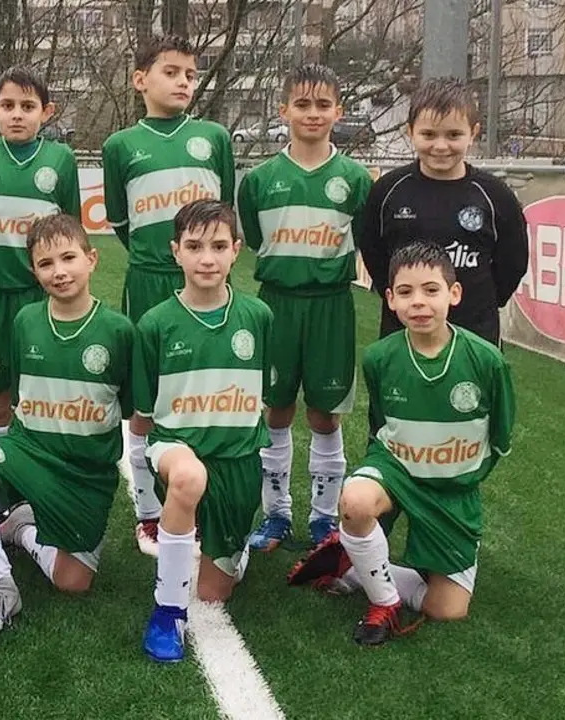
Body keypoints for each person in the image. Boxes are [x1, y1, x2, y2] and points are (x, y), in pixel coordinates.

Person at [288, 241, 515, 646]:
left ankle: (352, 566)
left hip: (453, 489)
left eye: (431, 290)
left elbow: (499, 436)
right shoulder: (379, 357)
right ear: (390, 299)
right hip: (397, 470)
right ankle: (384, 602)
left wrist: (460, 475)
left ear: (454, 293)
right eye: (406, 292)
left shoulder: (486, 360)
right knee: (356, 501)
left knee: (447, 609)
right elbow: (382, 425)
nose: (419, 302)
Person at [0, 214, 134, 633]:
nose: (59, 271)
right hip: (29, 453)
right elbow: (19, 396)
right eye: (46, 263)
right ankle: (1, 587)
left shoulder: (119, 330)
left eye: (68, 258)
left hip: (86, 474)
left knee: (73, 582)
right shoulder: (26, 321)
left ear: (91, 259)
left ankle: (20, 530)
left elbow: (130, 406)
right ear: (34, 271)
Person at [102, 34, 235, 556]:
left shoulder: (213, 137)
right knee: (146, 398)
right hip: (149, 281)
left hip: (204, 281)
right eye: (171, 72)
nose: (183, 82)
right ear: (140, 80)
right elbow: (120, 221)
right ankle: (148, 513)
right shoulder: (120, 146)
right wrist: (159, 259)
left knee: (202, 390)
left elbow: (222, 215)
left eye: (190, 74)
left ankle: (198, 497)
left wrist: (196, 260)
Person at [237, 64, 373, 551]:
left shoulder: (356, 179)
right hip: (277, 305)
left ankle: (323, 520)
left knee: (324, 415)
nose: (312, 113)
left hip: (331, 307)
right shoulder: (260, 179)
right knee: (275, 410)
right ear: (283, 111)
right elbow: (257, 241)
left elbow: (365, 239)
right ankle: (276, 515)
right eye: (302, 104)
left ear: (338, 111)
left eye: (322, 104)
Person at [135, 200, 271, 663]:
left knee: (214, 592)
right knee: (188, 477)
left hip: (238, 461)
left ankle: (233, 546)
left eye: (218, 246)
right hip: (177, 449)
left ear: (236, 250)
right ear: (176, 251)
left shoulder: (258, 316)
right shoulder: (155, 323)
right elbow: (144, 412)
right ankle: (167, 612)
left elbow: (265, 395)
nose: (207, 258)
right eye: (194, 247)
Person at [0, 66, 81, 448]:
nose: (16, 114)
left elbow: (70, 234)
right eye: (8, 105)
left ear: (47, 111)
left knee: (39, 394)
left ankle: (38, 469)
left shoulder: (61, 159)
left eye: (28, 106)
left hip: (41, 296)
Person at [359, 77, 528, 347]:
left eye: (453, 135)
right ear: (410, 131)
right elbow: (374, 253)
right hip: (403, 332)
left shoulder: (495, 196)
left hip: (474, 332)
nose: (440, 146)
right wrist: (403, 297)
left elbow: (513, 262)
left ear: (473, 133)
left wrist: (480, 302)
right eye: (428, 135)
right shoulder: (388, 191)